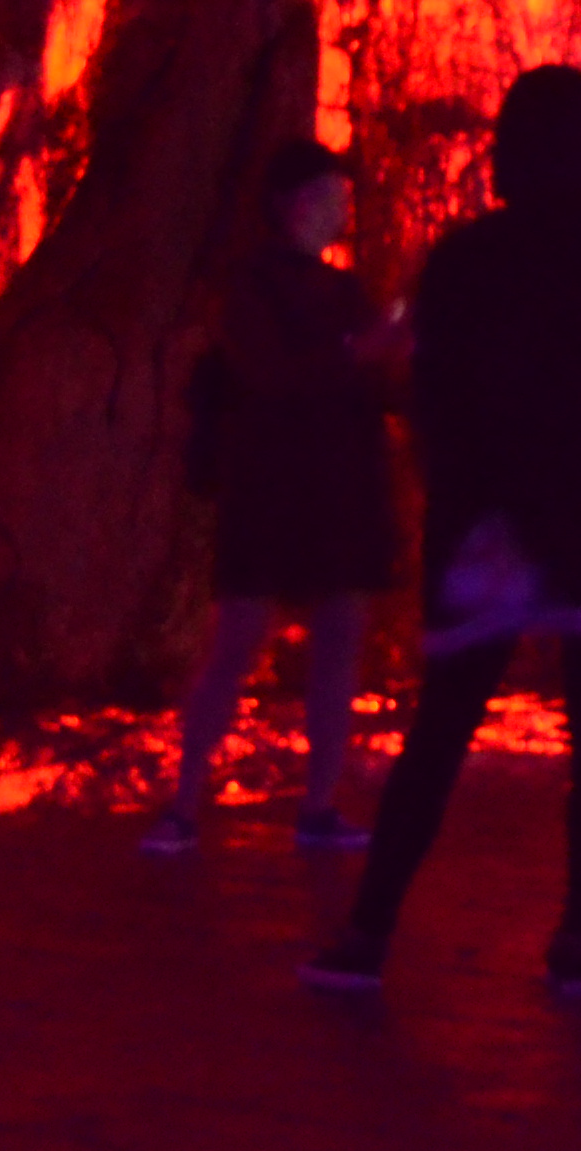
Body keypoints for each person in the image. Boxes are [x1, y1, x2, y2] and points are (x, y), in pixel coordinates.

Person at [303, 68, 581, 996]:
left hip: (504, 520)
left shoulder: (470, 258)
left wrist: (452, 497)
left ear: (506, 152)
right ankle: (579, 939)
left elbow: (435, 397)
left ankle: (368, 933)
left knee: (444, 726)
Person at [147, 142, 400, 857]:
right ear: (296, 206)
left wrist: (399, 358)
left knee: (340, 640)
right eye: (333, 199)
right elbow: (272, 375)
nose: (344, 212)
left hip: (340, 485)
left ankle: (318, 805)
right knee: (236, 640)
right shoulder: (250, 289)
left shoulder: (345, 291)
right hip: (270, 485)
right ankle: (183, 803)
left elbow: (374, 384)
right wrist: (361, 353)